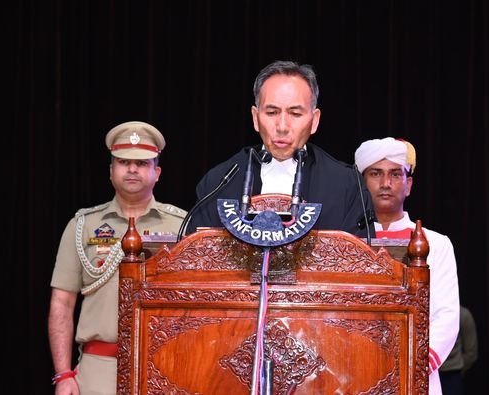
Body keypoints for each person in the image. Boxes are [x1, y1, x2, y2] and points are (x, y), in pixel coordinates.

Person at [48, 121, 187, 394]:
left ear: (157, 172)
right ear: (111, 171)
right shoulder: (82, 226)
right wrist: (64, 374)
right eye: (124, 161)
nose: (133, 169)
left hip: (165, 365)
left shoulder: (181, 226)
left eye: (142, 163)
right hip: (99, 370)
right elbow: (62, 303)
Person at [186, 60, 375, 238]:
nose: (282, 126)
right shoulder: (218, 183)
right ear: (255, 117)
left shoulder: (347, 185)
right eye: (271, 112)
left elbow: (364, 263)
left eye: (295, 113)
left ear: (314, 120)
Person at [354, 137, 460, 395]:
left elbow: (446, 316)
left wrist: (413, 364)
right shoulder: (344, 242)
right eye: (375, 174)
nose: (386, 183)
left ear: (408, 184)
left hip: (416, 376)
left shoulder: (436, 243)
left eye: (395, 174)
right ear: (360, 183)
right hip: (354, 372)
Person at [439, 305, 479, 395]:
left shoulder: (463, 315)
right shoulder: (428, 314)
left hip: (453, 374)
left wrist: (458, 365)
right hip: (429, 373)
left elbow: (471, 353)